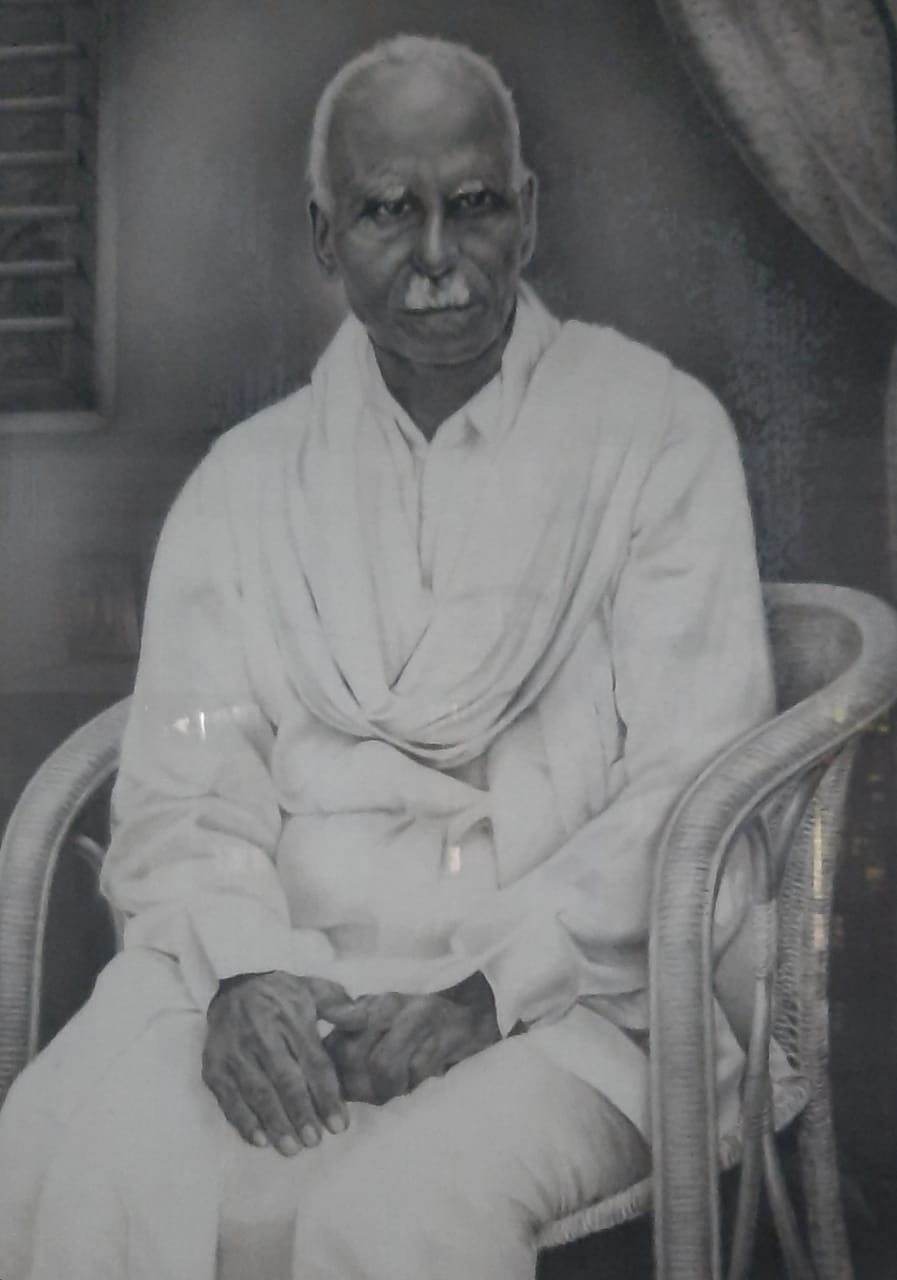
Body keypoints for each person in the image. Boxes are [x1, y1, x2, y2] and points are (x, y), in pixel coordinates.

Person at [0, 33, 787, 1280]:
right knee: (66, 1147)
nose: (436, 256)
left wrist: (483, 992)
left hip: (570, 1004)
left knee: (390, 1211)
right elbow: (187, 795)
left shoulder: (654, 435)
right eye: (387, 211)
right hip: (288, 987)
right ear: (325, 236)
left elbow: (690, 786)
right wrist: (244, 971)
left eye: (473, 205)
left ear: (528, 215)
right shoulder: (246, 484)